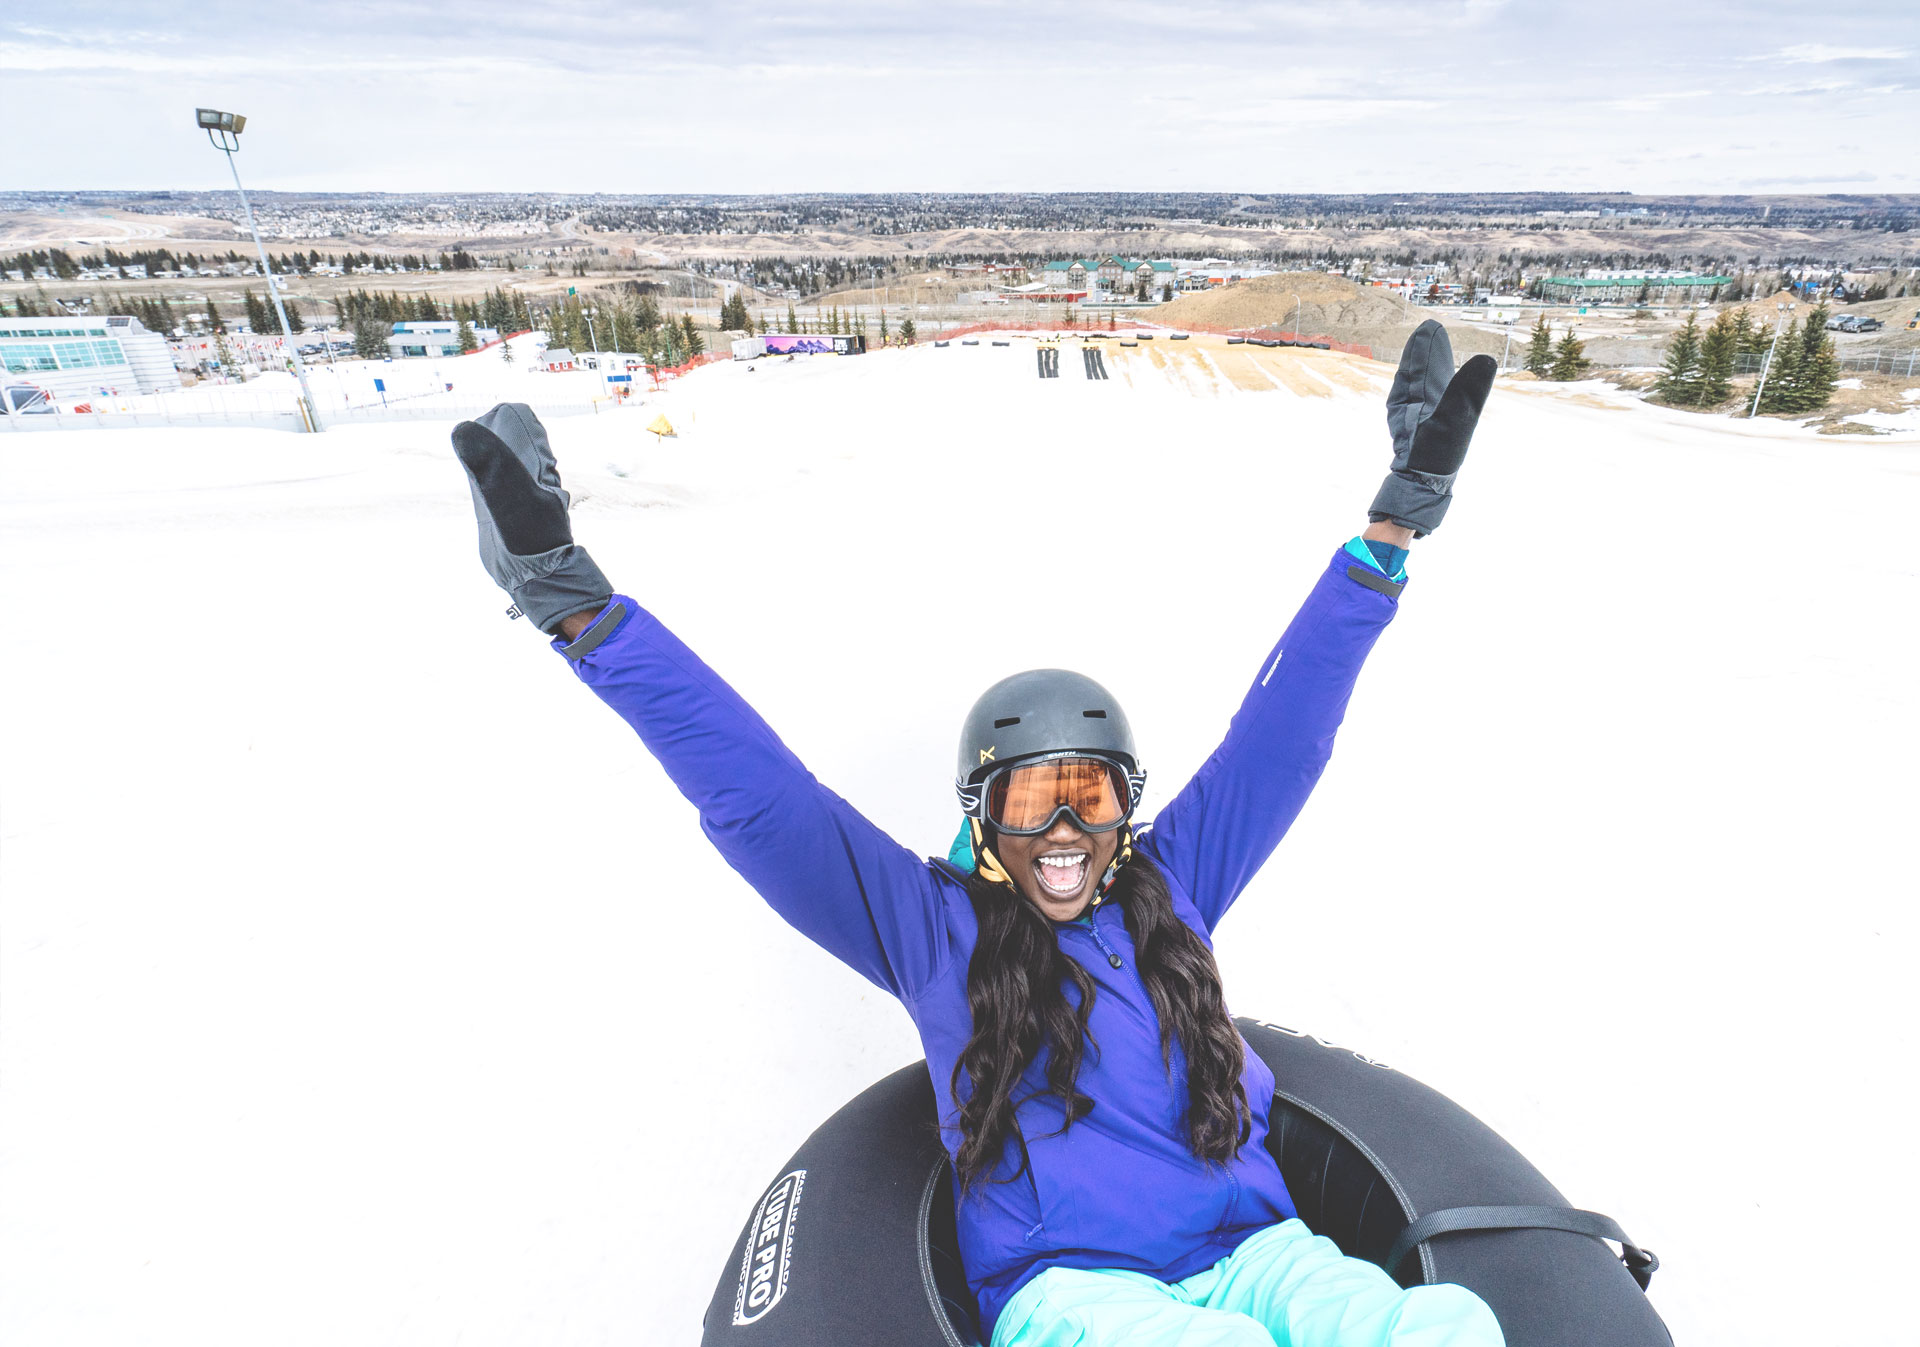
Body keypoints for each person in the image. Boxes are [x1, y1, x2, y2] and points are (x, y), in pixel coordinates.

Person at [450, 321, 1502, 1347]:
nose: (1059, 829)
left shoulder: (1174, 887)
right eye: (1027, 798)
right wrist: (581, 614)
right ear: (983, 815)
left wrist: (1390, 536)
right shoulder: (931, 929)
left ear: (1124, 812)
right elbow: (762, 799)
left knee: (1440, 1327)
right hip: (1078, 1294)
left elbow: (1282, 739)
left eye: (1088, 797)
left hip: (1262, 1254)